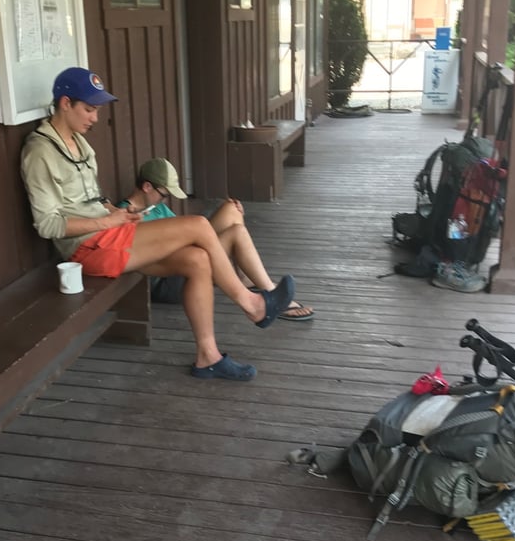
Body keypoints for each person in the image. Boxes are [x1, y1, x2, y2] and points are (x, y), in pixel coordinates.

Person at [20, 67, 295, 381]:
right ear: (65, 103)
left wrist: (119, 212)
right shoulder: (40, 151)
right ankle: (253, 304)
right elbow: (47, 225)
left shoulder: (81, 146)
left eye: (97, 110)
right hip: (86, 250)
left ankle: (208, 357)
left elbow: (93, 201)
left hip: (110, 234)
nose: (95, 118)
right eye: (89, 109)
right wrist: (110, 219)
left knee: (198, 259)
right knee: (199, 227)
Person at [118, 158, 314, 320]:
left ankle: (245, 279)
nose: (165, 200)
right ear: (146, 186)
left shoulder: (157, 207)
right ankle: (271, 294)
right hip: (170, 278)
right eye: (163, 195)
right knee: (236, 232)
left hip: (187, 255)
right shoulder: (124, 213)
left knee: (231, 209)